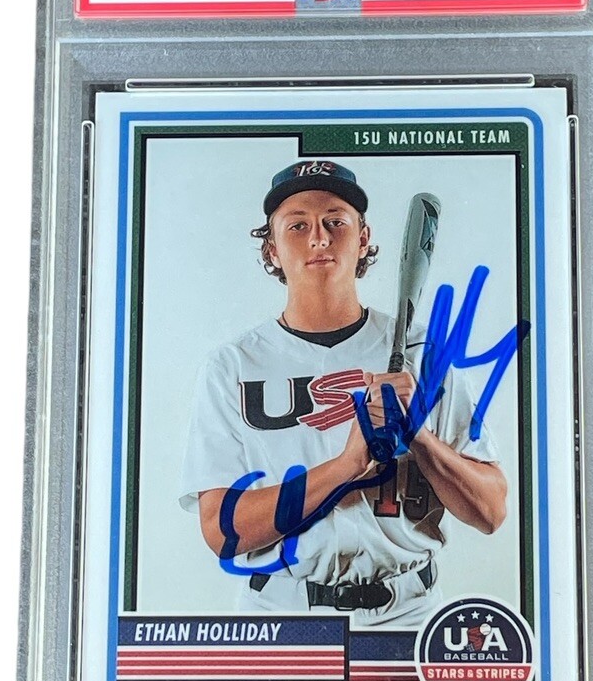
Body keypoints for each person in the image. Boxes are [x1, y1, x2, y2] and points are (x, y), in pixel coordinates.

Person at [178, 160, 507, 628]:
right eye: (298, 226)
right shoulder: (232, 366)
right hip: (282, 612)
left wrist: (419, 436)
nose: (319, 238)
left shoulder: (424, 355)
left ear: (364, 238)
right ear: (272, 249)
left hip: (409, 612)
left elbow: (491, 511)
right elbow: (222, 531)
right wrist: (345, 467)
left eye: (336, 222)